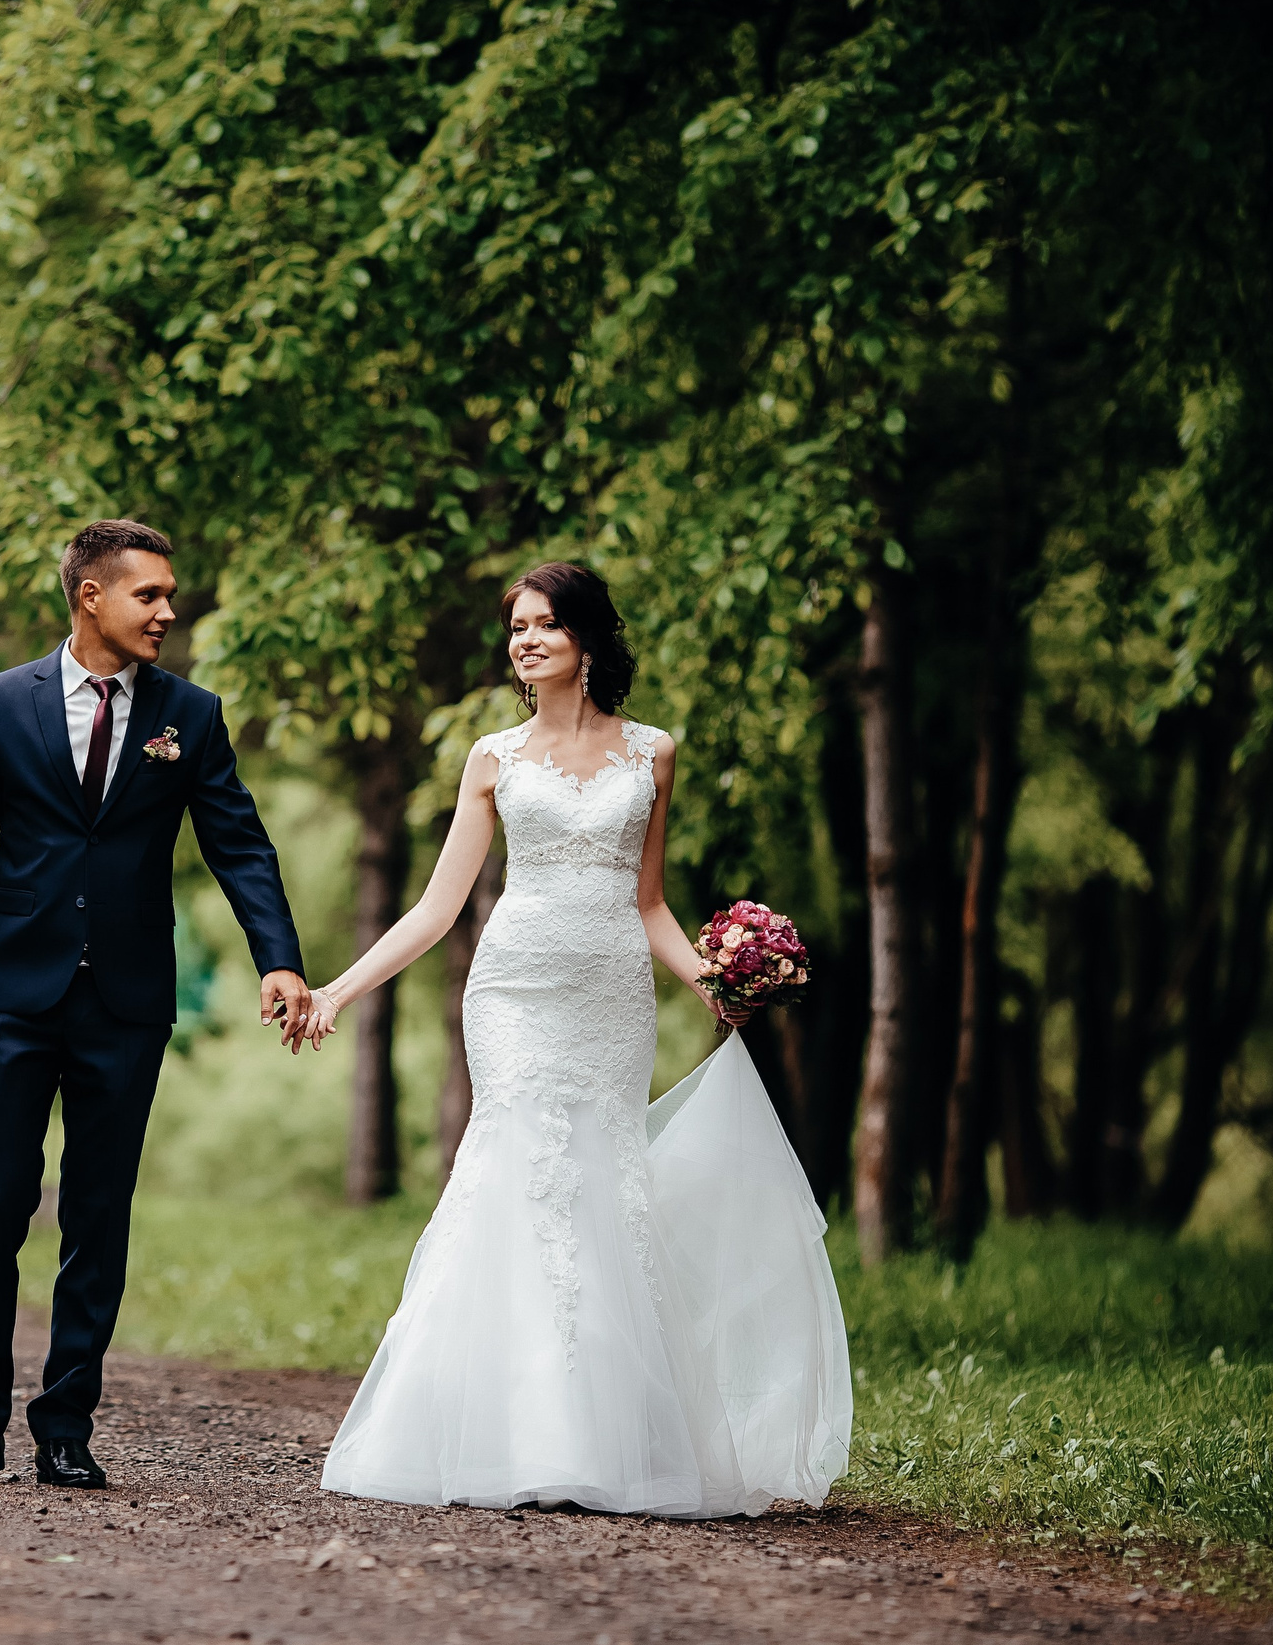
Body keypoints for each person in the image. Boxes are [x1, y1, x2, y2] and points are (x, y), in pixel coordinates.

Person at [287, 560, 851, 1516]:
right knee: (519, 1172)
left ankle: (607, 1432)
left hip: (611, 998)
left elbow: (651, 904)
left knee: (604, 1184)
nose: (527, 640)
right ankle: (515, 1427)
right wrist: (340, 988)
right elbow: (438, 905)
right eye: (517, 627)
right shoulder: (492, 759)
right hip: (512, 992)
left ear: (587, 637)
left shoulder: (653, 754)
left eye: (546, 623)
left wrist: (717, 977)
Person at [0, 518, 310, 1490]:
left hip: (127, 1003)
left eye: (169, 595)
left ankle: (65, 1427)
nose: (168, 612)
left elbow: (240, 844)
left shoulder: (191, 714)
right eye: (150, 595)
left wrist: (279, 959)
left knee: (99, 1215)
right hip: (8, 997)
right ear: (89, 595)